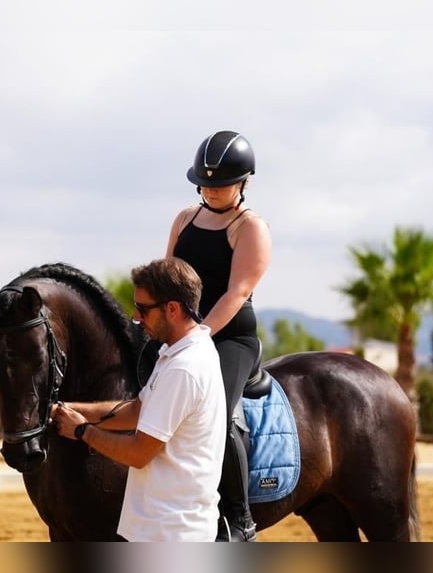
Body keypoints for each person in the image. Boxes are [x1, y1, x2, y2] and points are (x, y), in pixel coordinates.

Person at [52, 257, 226, 542]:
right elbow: (137, 410)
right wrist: (69, 409)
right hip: (160, 528)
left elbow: (139, 453)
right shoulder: (177, 353)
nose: (135, 317)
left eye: (143, 309)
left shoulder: (185, 367)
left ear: (172, 309)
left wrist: (82, 431)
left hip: (171, 533)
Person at [166, 130, 272, 542]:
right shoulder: (184, 219)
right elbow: (168, 278)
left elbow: (237, 292)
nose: (211, 190)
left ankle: (240, 518)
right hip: (181, 333)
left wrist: (198, 335)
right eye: (205, 183)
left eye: (221, 183)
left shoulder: (250, 227)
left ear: (243, 182)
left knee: (218, 417)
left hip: (230, 338)